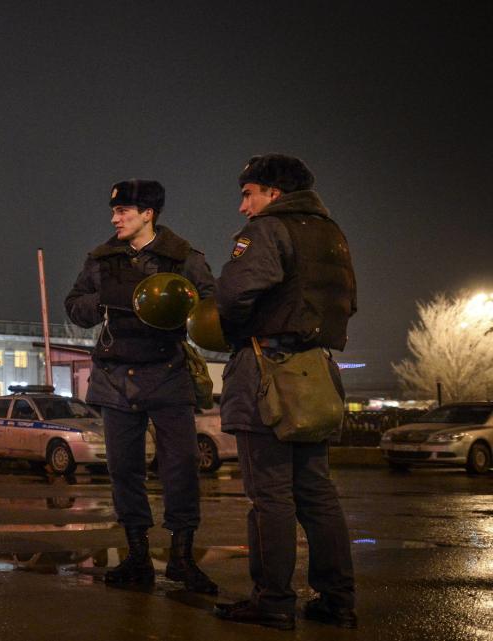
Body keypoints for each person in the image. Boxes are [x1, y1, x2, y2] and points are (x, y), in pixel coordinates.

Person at [212, 154, 358, 630]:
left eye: (248, 194)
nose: (242, 207)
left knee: (270, 496)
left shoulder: (268, 230)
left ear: (274, 193)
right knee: (317, 493)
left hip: (269, 373)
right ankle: (337, 601)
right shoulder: (331, 233)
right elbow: (347, 303)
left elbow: (232, 294)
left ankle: (272, 600)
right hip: (316, 372)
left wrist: (233, 330)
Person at [65, 179, 217, 593]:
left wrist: (179, 307)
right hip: (115, 378)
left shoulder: (183, 257)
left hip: (167, 372)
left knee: (181, 468)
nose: (115, 218)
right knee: (123, 471)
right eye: (114, 212)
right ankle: (137, 558)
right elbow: (74, 307)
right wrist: (101, 302)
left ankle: (183, 559)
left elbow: (212, 307)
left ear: (148, 213)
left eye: (124, 212)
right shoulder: (102, 258)